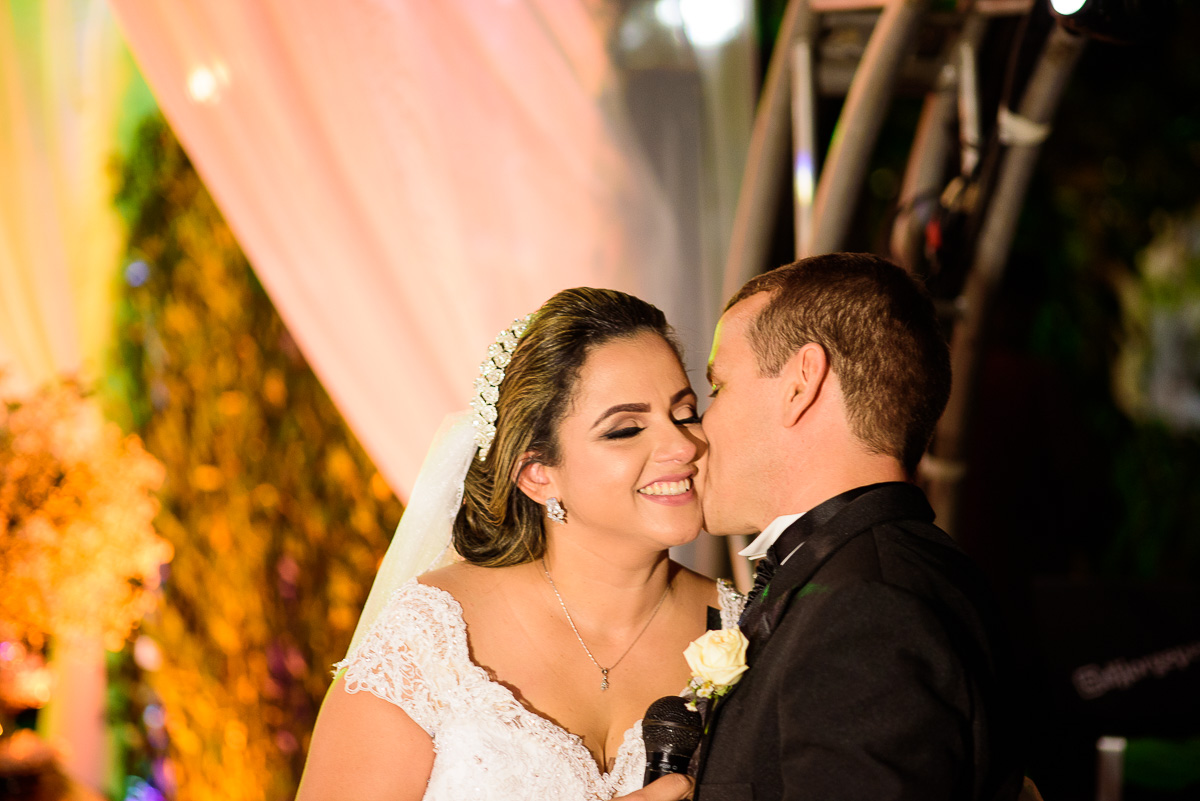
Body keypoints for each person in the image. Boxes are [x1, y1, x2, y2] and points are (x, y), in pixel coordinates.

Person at [296, 287, 741, 801]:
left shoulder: (741, 628)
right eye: (625, 429)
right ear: (536, 475)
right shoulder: (434, 638)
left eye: (685, 413)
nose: (683, 445)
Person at [692, 253, 1023, 800]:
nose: (701, 427)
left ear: (801, 383)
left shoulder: (866, 608)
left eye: (718, 388)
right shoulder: (882, 569)